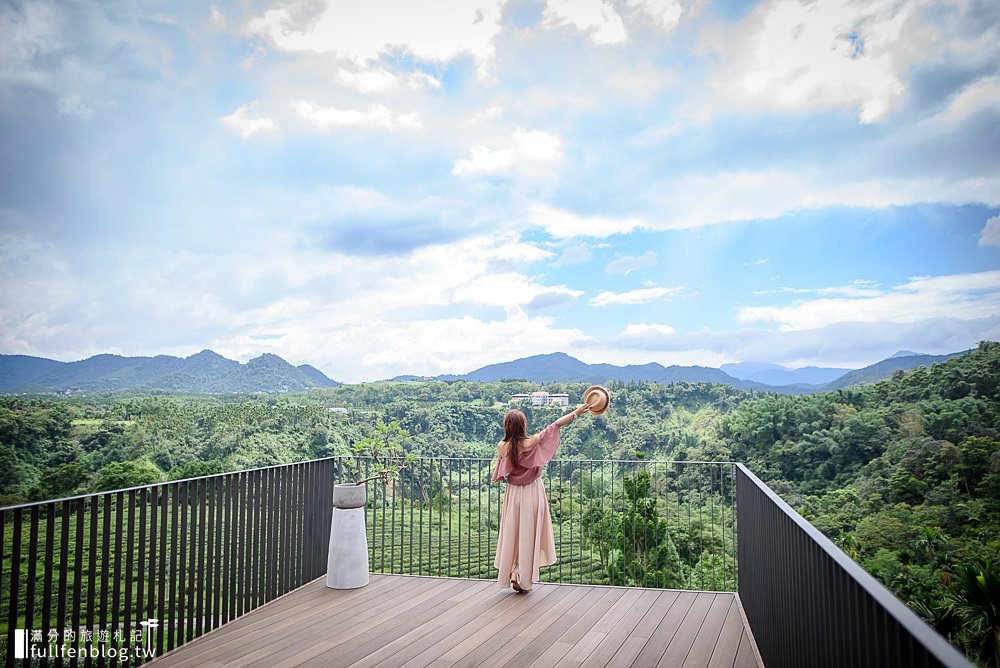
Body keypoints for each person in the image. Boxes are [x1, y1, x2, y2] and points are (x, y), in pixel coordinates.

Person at [492, 403, 591, 592]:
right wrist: (577, 412)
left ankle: (513, 570)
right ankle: (524, 579)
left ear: (506, 426)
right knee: (528, 535)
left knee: (513, 533)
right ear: (522, 425)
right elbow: (556, 425)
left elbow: (506, 460)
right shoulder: (531, 441)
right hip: (532, 491)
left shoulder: (501, 447)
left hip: (513, 494)